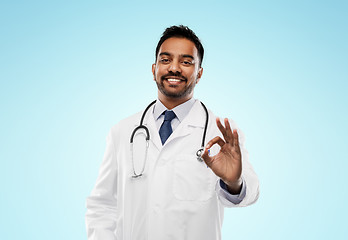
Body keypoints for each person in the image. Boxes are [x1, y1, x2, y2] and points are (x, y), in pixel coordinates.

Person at [85, 25, 259, 240]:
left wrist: (233, 183)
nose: (174, 68)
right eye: (165, 60)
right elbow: (102, 204)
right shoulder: (122, 131)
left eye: (186, 62)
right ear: (154, 69)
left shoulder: (222, 133)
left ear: (199, 73)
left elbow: (250, 193)